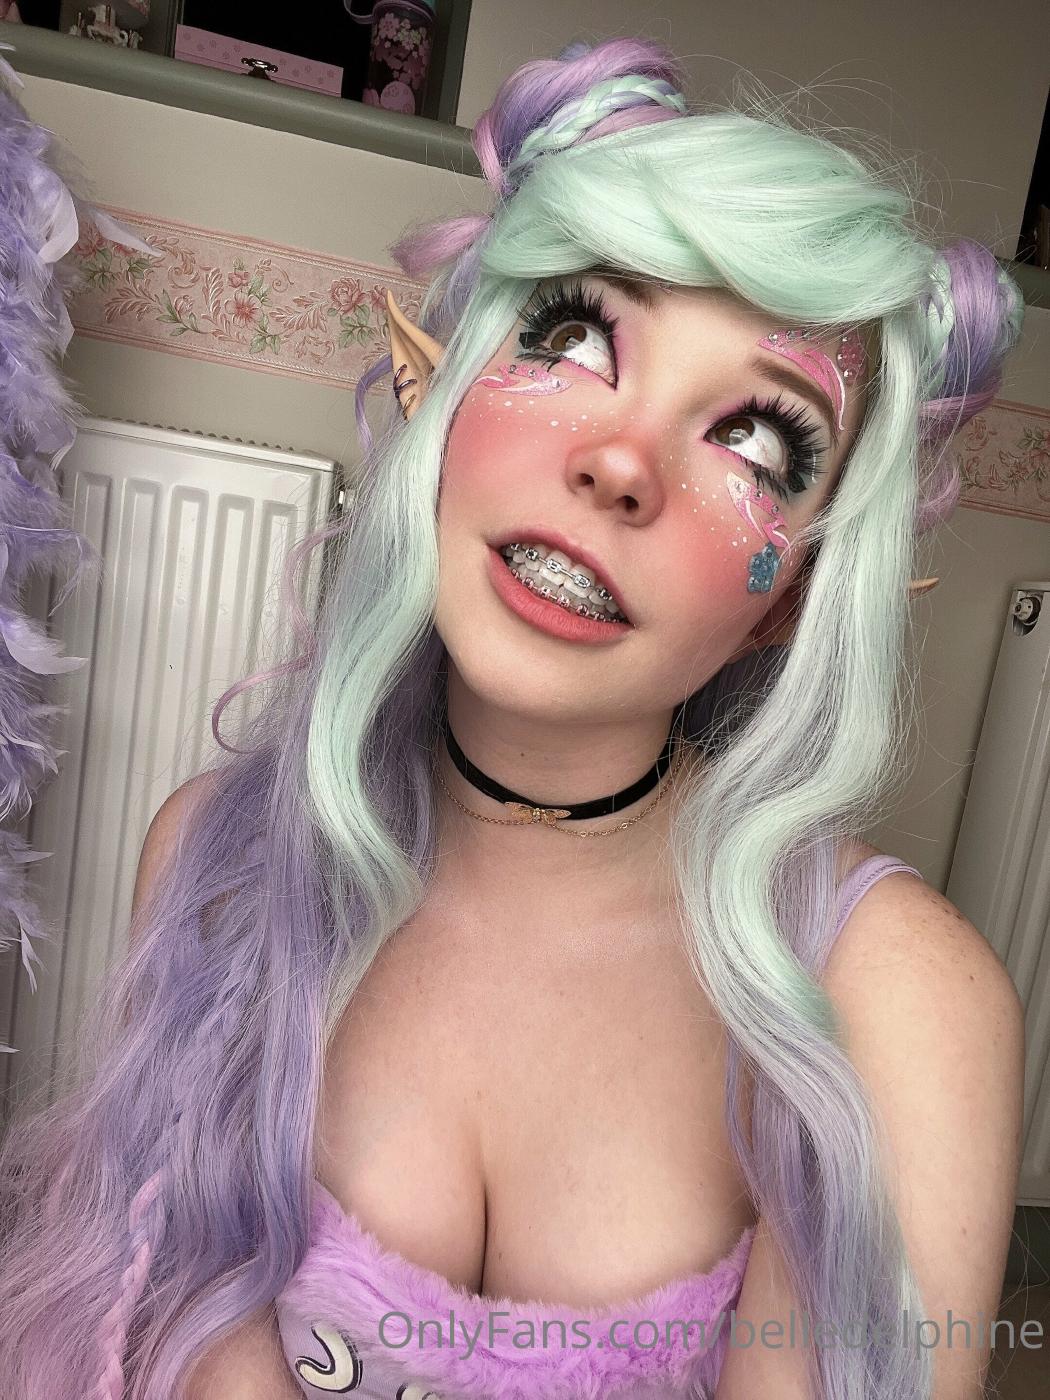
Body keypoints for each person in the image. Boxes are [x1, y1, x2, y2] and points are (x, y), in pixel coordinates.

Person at [0, 34, 1027, 1400]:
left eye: (755, 439)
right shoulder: (217, 861)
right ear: (438, 400)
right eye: (573, 336)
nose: (619, 462)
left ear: (793, 597)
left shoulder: (885, 995)